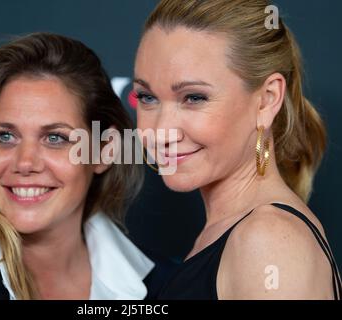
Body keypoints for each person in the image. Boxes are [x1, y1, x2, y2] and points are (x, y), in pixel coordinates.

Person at [0, 32, 170, 300]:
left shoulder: (172, 287)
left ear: (104, 151)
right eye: (5, 136)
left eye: (55, 138)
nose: (25, 163)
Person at [134, 0, 341, 299]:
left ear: (267, 99)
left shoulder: (268, 242)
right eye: (147, 97)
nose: (161, 131)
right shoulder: (231, 234)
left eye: (193, 97)